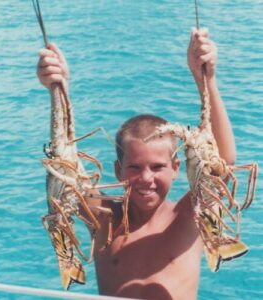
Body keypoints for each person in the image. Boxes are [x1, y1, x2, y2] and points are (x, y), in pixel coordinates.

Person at [36, 28, 236, 300]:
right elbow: (63, 169)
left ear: (176, 168)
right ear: (118, 170)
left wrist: (206, 79)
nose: (146, 179)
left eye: (157, 167)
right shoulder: (104, 219)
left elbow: (222, 164)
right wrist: (58, 88)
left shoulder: (189, 217)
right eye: (134, 167)